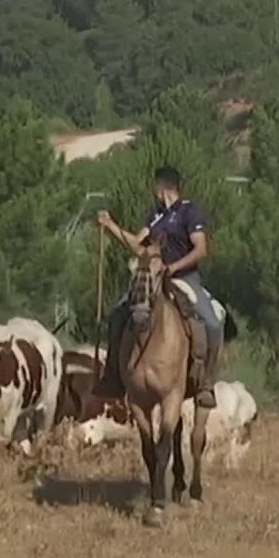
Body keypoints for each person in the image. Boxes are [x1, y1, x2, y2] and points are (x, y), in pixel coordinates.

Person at [92, 165, 224, 408]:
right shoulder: (154, 215)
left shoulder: (189, 212)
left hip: (184, 278)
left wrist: (173, 267)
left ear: (161, 187)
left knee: (213, 324)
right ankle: (113, 377)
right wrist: (111, 226)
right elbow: (138, 245)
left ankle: (206, 384)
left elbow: (201, 249)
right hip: (152, 277)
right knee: (118, 315)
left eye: (155, 187)